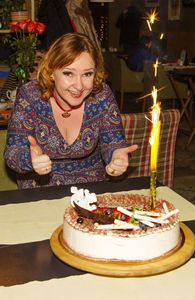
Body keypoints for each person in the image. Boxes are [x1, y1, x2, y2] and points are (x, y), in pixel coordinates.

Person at [4, 32, 138, 189]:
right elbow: (12, 153)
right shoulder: (31, 96)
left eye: (87, 74)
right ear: (51, 72)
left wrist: (116, 157)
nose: (79, 86)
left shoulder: (102, 95)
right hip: (40, 190)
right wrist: (29, 160)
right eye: (69, 73)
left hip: (90, 190)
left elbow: (113, 143)